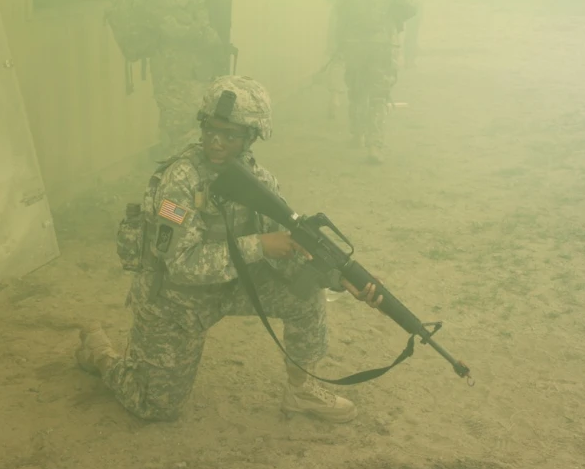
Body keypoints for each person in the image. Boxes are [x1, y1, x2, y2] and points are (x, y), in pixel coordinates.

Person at [76, 75, 383, 423]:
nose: (217, 142)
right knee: (156, 407)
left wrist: (337, 279)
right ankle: (100, 352)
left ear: (252, 137)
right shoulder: (179, 183)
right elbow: (180, 264)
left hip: (233, 286)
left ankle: (301, 392)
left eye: (231, 135)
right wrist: (259, 245)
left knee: (304, 297)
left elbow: (287, 253)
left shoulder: (260, 181)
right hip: (175, 300)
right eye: (211, 130)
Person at [150, 0, 235, 156]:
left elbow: (203, 21)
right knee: (176, 125)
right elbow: (168, 27)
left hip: (193, 73)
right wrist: (204, 34)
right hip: (172, 73)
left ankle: (189, 168)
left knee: (194, 120)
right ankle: (174, 169)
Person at [335, 0, 417, 163]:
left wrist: (339, 42)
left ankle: (358, 133)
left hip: (354, 41)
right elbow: (410, 6)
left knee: (356, 87)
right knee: (378, 94)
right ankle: (374, 144)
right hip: (381, 41)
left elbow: (340, 10)